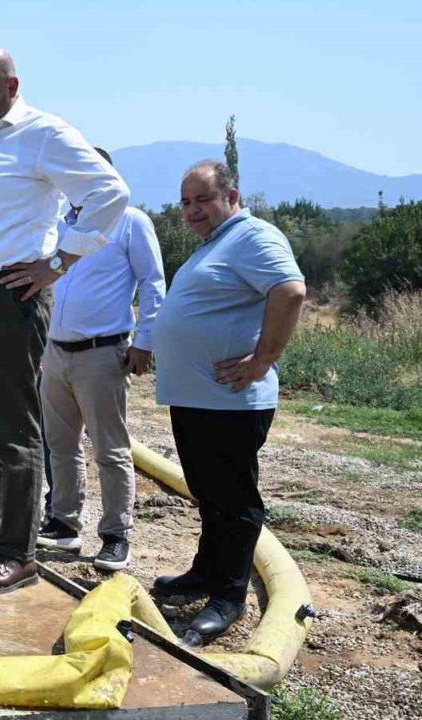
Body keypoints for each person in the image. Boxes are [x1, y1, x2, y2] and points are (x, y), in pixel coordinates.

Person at [0, 44, 129, 596]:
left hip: (8, 298)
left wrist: (58, 262)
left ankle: (17, 551)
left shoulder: (43, 134)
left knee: (12, 430)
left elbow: (109, 193)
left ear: (12, 87)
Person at [151, 161, 305, 640]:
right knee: (208, 492)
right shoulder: (215, 244)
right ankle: (206, 571)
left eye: (203, 200)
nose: (193, 211)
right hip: (198, 398)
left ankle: (229, 595)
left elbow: (290, 290)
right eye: (186, 202)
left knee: (233, 500)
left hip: (232, 401)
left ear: (231, 196)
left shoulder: (254, 236)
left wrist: (262, 360)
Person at [36, 147, 167, 572]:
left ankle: (115, 534)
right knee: (60, 444)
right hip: (56, 353)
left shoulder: (130, 221)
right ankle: (63, 521)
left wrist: (144, 341)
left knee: (111, 450)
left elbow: (152, 284)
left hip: (102, 352)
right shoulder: (59, 225)